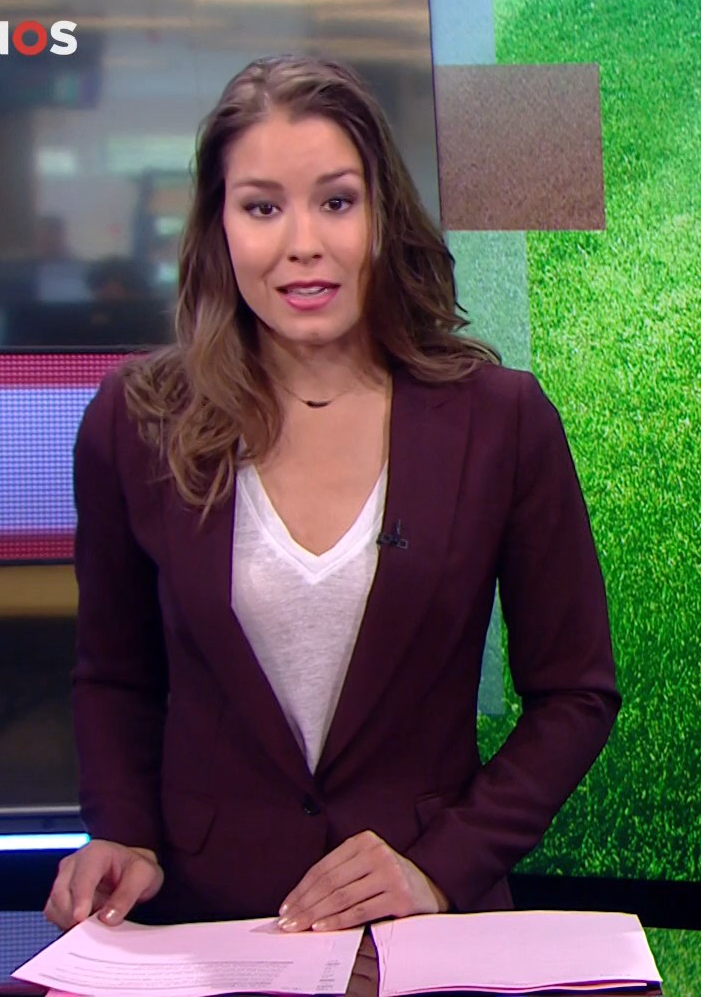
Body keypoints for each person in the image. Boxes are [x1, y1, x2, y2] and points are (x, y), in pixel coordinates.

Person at [44, 55, 619, 932]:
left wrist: (441, 866)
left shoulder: (501, 420)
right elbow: (116, 676)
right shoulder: (136, 421)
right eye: (262, 207)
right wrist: (124, 833)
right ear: (218, 226)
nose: (302, 243)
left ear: (383, 214)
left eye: (337, 202)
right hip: (209, 929)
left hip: (423, 932)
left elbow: (576, 694)